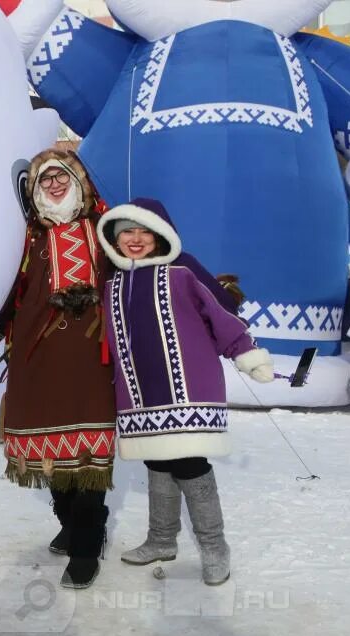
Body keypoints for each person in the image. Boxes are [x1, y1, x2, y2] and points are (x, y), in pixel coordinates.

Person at [0, 149, 114, 589]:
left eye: (61, 175)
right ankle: (69, 519)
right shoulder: (27, 239)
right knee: (47, 456)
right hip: (33, 360)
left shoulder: (105, 231)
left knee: (88, 457)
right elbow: (7, 295)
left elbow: (147, 255)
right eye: (45, 179)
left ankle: (87, 544)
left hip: (88, 362)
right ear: (34, 190)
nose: (54, 183)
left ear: (79, 181)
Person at [97, 197, 274, 586]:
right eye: (127, 231)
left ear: (162, 234)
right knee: (157, 464)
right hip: (140, 393)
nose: (136, 239)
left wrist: (246, 353)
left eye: (145, 230)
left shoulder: (182, 270)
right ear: (114, 237)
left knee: (190, 466)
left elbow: (221, 313)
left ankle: (214, 547)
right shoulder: (111, 281)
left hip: (188, 387)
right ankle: (161, 540)